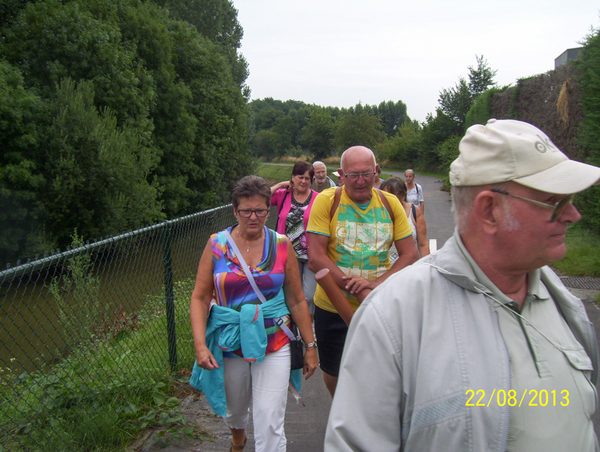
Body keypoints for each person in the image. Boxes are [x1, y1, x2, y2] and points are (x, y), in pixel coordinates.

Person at [325, 119, 600, 452]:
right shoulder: (393, 316)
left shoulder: (562, 301)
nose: (573, 215)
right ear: (489, 210)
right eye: (555, 202)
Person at [190, 175, 318, 452]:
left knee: (269, 421)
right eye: (246, 211)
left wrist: (310, 346)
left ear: (268, 211)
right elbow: (200, 298)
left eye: (260, 211)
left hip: (274, 341)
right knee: (234, 412)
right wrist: (200, 345)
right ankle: (238, 438)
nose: (253, 217)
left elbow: (296, 299)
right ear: (235, 211)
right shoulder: (216, 245)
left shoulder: (282, 245)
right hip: (230, 342)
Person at [307, 146, 419, 397]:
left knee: (379, 371)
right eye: (353, 175)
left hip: (380, 306)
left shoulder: (390, 204)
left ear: (377, 172)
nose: (360, 181)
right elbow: (315, 257)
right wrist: (353, 285)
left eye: (366, 174)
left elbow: (410, 254)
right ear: (341, 175)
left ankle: (371, 417)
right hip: (332, 307)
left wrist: (374, 286)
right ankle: (342, 413)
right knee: (334, 371)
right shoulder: (327, 200)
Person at [270, 162, 319, 319]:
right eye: (300, 177)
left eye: (307, 178)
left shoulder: (318, 198)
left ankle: (307, 325)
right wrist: (280, 184)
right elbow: (261, 197)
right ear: (293, 177)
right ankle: (296, 328)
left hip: (311, 254)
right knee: (292, 294)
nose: (303, 181)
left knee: (310, 295)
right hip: (288, 253)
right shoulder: (283, 195)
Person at [381, 176, 430, 258]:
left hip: (408, 267)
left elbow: (423, 244)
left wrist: (426, 267)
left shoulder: (414, 211)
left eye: (391, 196)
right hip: (383, 267)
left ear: (402, 196)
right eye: (383, 196)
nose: (386, 200)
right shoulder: (376, 212)